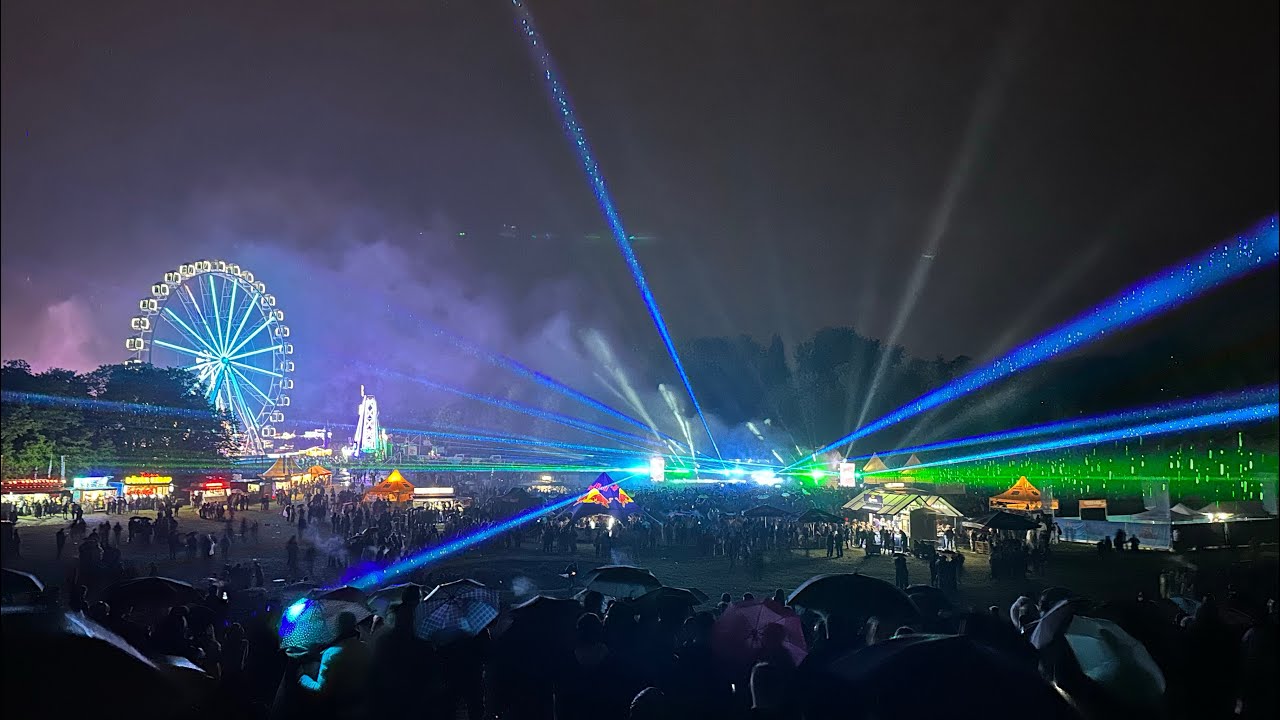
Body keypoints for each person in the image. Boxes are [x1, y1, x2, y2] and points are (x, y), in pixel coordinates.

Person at [298, 611, 370, 715]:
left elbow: (321, 690)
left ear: (339, 627)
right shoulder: (366, 648)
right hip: (360, 708)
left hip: (336, 709)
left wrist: (302, 678)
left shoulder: (331, 654)